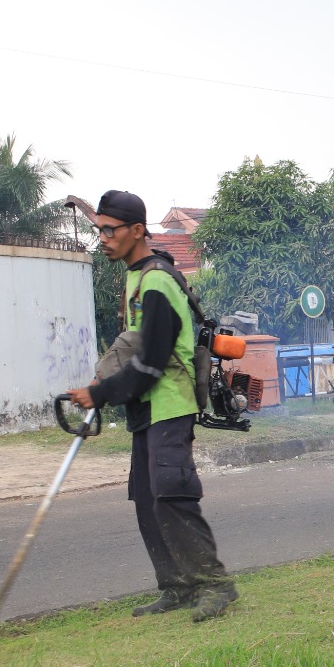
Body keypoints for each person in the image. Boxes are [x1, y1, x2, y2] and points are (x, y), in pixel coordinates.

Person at [66, 190, 239, 620]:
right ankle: (177, 586)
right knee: (147, 499)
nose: (103, 238)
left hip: (170, 404)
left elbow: (153, 361)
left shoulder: (158, 281)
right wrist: (104, 378)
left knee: (172, 495)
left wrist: (101, 394)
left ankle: (215, 584)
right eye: (99, 230)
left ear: (137, 230)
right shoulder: (136, 277)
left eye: (110, 230)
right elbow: (133, 345)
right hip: (145, 408)